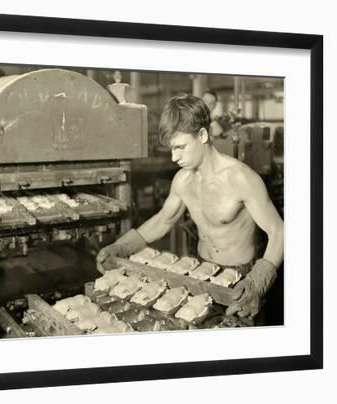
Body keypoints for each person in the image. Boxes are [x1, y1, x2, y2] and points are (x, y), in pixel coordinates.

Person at [96, 94, 284, 319]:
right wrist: (122, 246)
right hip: (199, 271)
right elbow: (163, 220)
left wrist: (258, 282)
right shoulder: (183, 180)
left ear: (202, 135)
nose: (174, 157)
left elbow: (279, 231)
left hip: (241, 279)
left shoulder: (240, 178)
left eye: (181, 147)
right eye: (172, 149)